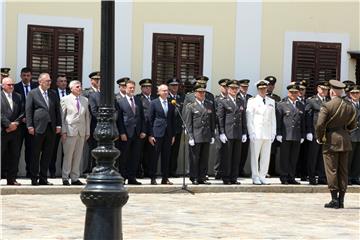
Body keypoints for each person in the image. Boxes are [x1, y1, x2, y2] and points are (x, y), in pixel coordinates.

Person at [316, 79, 357, 209]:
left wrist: (320, 137)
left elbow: (320, 124)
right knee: (343, 171)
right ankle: (342, 199)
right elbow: (352, 125)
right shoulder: (350, 105)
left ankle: (334, 199)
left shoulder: (327, 105)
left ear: (332, 91)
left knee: (332, 170)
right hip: (345, 140)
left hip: (331, 140)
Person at [26, 73, 62, 185]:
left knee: (47, 154)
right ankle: (34, 178)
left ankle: (43, 178)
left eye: (50, 81)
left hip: (51, 128)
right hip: (38, 128)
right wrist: (30, 125)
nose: (49, 83)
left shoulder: (53, 93)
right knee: (35, 154)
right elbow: (29, 111)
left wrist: (58, 125)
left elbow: (57, 110)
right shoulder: (33, 93)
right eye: (47, 81)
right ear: (40, 81)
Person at [116, 80, 146, 185]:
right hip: (126, 133)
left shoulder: (138, 100)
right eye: (130, 88)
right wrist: (122, 133)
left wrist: (143, 130)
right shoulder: (120, 101)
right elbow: (119, 119)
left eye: (133, 88)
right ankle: (123, 177)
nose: (132, 89)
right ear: (125, 88)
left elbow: (142, 117)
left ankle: (132, 177)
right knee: (124, 156)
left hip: (137, 133)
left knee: (135, 156)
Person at [246, 80, 276, 185]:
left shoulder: (271, 101)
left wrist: (273, 133)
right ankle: (255, 176)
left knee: (266, 156)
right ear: (258, 89)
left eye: (264, 88)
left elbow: (273, 119)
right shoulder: (252, 101)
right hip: (257, 133)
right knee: (255, 156)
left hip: (267, 133)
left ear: (267, 88)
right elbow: (249, 118)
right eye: (261, 89)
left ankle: (263, 175)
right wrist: (251, 133)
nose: (263, 90)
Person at [217, 80, 247, 184]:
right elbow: (220, 118)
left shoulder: (240, 101)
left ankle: (234, 178)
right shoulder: (223, 101)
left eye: (236, 88)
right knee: (227, 157)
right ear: (228, 89)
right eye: (232, 88)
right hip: (228, 133)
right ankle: (226, 178)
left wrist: (244, 132)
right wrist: (221, 132)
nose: (234, 90)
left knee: (236, 157)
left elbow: (243, 118)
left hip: (238, 133)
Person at [60, 80, 90, 186]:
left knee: (78, 156)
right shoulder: (65, 99)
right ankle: (65, 177)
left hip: (81, 132)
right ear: (71, 88)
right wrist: (63, 131)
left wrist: (87, 131)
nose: (80, 88)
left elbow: (87, 117)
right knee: (68, 155)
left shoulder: (85, 100)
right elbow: (62, 117)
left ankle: (75, 177)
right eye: (77, 87)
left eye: (80, 86)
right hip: (69, 131)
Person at [185, 84, 215, 185]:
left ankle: (202, 177)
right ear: (195, 94)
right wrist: (190, 136)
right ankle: (194, 177)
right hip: (196, 135)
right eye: (200, 92)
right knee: (194, 158)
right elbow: (188, 123)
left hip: (206, 135)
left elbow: (212, 121)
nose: (202, 94)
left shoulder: (208, 104)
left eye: (203, 92)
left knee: (204, 158)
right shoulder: (191, 106)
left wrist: (212, 135)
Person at [276, 83, 305, 185]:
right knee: (284, 158)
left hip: (297, 135)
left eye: (295, 92)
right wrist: (278, 133)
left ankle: (291, 177)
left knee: (294, 158)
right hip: (285, 135)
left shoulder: (301, 105)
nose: (293, 94)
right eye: (291, 92)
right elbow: (278, 120)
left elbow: (303, 122)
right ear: (288, 93)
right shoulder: (281, 104)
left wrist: (303, 134)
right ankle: (284, 177)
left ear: (298, 93)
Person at [148, 84, 175, 185]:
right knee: (155, 156)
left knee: (166, 156)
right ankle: (153, 177)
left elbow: (172, 120)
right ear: (158, 92)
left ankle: (165, 178)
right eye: (163, 91)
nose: (166, 92)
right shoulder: (153, 103)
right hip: (157, 133)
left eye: (167, 90)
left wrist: (173, 135)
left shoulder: (171, 103)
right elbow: (150, 120)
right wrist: (150, 135)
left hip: (168, 134)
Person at [14, 67, 38, 178]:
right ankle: (13, 173)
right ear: (21, 76)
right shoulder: (15, 87)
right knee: (16, 149)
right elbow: (15, 106)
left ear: (31, 76)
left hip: (32, 125)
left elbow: (36, 106)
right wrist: (22, 118)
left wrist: (30, 119)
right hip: (19, 124)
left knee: (31, 150)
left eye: (28, 75)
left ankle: (30, 173)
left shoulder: (35, 87)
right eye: (24, 75)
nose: (26, 77)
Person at [305, 81, 330, 185]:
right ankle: (311, 177)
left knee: (323, 157)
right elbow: (308, 117)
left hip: (326, 133)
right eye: (322, 89)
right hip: (315, 133)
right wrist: (309, 131)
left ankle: (322, 177)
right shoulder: (311, 101)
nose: (324, 91)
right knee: (313, 157)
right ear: (318, 89)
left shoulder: (329, 101)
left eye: (326, 89)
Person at [1, 77, 24, 185]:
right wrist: (8, 124)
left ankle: (11, 179)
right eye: (9, 85)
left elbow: (22, 112)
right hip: (2, 130)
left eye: (12, 85)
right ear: (2, 85)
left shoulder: (18, 97)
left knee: (14, 155)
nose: (11, 86)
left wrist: (16, 123)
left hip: (15, 132)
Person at [49, 74, 69, 178]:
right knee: (53, 150)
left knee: (67, 151)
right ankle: (52, 171)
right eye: (61, 81)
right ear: (57, 83)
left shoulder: (70, 93)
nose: (63, 83)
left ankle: (65, 173)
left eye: (65, 81)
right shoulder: (52, 93)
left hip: (68, 126)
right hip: (56, 125)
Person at [135, 78, 156, 178]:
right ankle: (139, 171)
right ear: (142, 88)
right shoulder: (138, 98)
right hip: (142, 128)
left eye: (149, 87)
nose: (148, 89)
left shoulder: (154, 98)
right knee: (139, 152)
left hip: (152, 129)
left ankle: (148, 171)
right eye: (145, 87)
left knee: (150, 152)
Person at [83, 71, 101, 173]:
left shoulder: (102, 93)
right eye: (96, 79)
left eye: (99, 79)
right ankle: (88, 169)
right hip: (91, 124)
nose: (98, 81)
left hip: (100, 125)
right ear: (91, 81)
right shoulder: (86, 92)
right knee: (91, 148)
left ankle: (96, 167)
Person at [167, 77, 185, 177]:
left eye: (176, 85)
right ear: (169, 86)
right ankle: (166, 171)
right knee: (167, 151)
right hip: (168, 128)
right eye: (173, 85)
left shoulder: (181, 97)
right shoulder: (166, 97)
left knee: (175, 151)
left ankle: (172, 171)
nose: (175, 87)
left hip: (178, 128)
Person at [213, 78, 229, 179]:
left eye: (227, 87)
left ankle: (226, 171)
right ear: (220, 87)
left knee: (228, 151)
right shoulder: (216, 99)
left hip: (229, 128)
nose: (226, 88)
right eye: (224, 87)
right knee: (219, 150)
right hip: (219, 128)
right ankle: (217, 171)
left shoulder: (232, 99)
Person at [237, 79, 252, 177]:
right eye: (243, 87)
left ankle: (241, 169)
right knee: (237, 151)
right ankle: (235, 170)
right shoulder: (236, 97)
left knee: (244, 151)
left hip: (248, 128)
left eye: (246, 87)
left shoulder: (251, 98)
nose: (245, 89)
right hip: (237, 128)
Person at [347, 85, 360, 185]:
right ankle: (347, 177)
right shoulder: (346, 104)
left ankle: (355, 176)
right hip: (350, 134)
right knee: (348, 158)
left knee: (357, 158)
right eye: (353, 93)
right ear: (349, 94)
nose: (355, 95)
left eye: (357, 93)